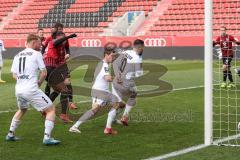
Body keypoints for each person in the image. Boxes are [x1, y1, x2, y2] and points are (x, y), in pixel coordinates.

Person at [5, 34, 60, 145]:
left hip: (19, 90)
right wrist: (38, 83)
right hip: (31, 89)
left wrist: (22, 79)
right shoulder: (36, 54)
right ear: (34, 42)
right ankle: (47, 138)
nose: (41, 46)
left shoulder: (17, 55)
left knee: (22, 109)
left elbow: (14, 75)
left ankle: (10, 134)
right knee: (51, 110)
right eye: (39, 43)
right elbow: (44, 73)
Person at [69, 47, 120, 135]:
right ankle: (75, 127)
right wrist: (116, 79)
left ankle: (110, 125)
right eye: (112, 56)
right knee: (95, 110)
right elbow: (107, 78)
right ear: (106, 55)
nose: (113, 58)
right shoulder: (104, 65)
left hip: (103, 91)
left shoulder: (104, 64)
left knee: (118, 104)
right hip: (100, 92)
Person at [44, 31, 77, 123]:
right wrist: (69, 36)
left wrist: (67, 75)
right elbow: (57, 42)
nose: (64, 41)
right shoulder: (52, 42)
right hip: (49, 68)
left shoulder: (61, 50)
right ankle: (63, 115)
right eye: (62, 38)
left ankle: (44, 109)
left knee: (58, 90)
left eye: (65, 39)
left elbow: (62, 63)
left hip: (53, 70)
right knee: (65, 91)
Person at [112, 39, 144, 126]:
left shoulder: (126, 52)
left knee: (120, 103)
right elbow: (138, 74)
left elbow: (115, 63)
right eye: (142, 48)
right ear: (140, 47)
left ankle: (113, 119)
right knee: (134, 94)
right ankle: (125, 116)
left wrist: (118, 76)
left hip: (115, 82)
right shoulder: (138, 58)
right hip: (126, 83)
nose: (143, 49)